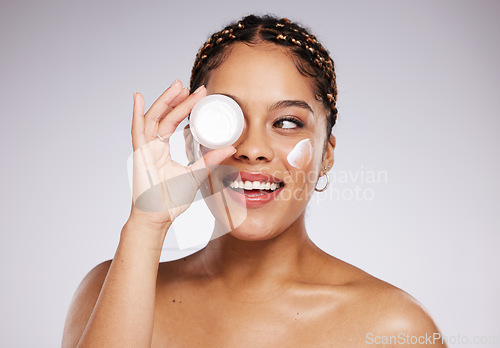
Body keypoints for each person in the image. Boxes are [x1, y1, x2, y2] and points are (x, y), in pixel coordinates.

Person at [62, 14, 446, 347]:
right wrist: (146, 223)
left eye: (287, 122)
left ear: (327, 153)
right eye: (227, 120)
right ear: (193, 142)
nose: (253, 149)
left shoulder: (396, 328)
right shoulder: (106, 292)